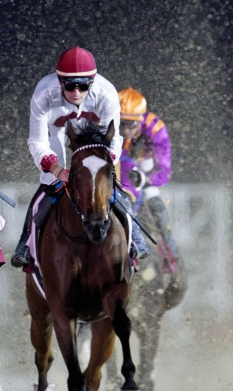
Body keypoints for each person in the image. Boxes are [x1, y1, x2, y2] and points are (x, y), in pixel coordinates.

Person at [9, 46, 149, 268]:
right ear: (59, 81)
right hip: (57, 132)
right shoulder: (44, 93)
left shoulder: (107, 93)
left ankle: (135, 240)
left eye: (83, 85)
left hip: (93, 140)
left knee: (109, 188)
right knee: (48, 186)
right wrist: (56, 169)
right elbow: (37, 141)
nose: (76, 92)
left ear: (92, 82)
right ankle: (25, 244)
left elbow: (114, 140)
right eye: (69, 85)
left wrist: (101, 167)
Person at [117, 88, 181, 271]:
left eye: (131, 125)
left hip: (147, 178)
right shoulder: (108, 124)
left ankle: (171, 255)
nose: (126, 130)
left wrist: (146, 178)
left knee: (157, 209)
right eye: (122, 124)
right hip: (119, 175)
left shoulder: (156, 129)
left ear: (140, 120)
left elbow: (165, 170)